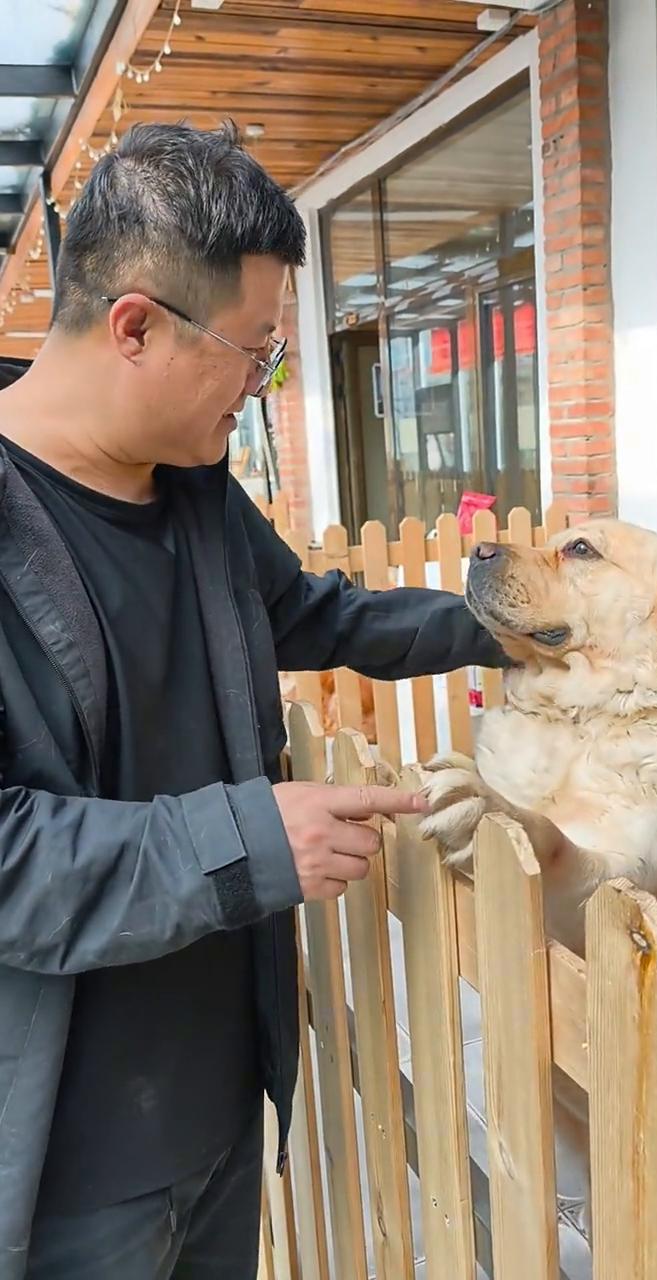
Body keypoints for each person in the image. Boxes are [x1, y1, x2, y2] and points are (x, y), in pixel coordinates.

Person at [0, 121, 508, 1279]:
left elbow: (321, 615)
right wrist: (247, 838)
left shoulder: (196, 499)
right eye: (257, 351)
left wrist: (511, 626)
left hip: (227, 1107)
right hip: (65, 1174)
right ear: (136, 324)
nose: (265, 385)